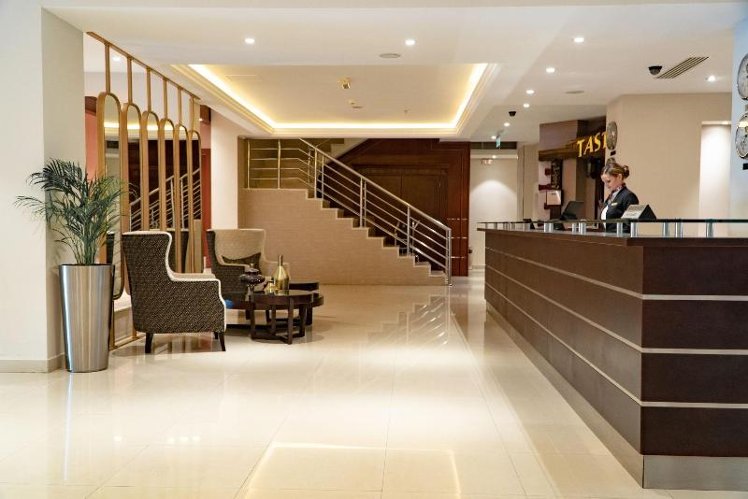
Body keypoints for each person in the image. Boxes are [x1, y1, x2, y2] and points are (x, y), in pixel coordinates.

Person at [600, 162, 638, 233]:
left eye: (608, 181)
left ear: (619, 177)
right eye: (604, 182)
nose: (606, 185)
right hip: (609, 237)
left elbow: (629, 226)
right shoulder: (611, 197)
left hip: (620, 238)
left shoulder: (629, 196)